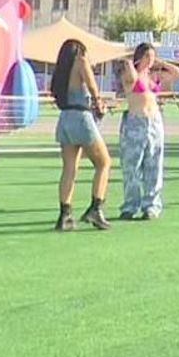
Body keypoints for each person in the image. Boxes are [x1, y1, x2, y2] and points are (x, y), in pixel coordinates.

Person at [50, 38, 112, 231]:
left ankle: (65, 214)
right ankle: (96, 208)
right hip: (81, 117)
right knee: (104, 163)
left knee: (69, 167)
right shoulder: (81, 62)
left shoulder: (62, 69)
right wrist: (99, 102)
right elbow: (92, 87)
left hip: (65, 118)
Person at [117, 43, 179, 220]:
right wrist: (133, 62)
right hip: (135, 123)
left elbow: (178, 74)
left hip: (154, 123)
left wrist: (161, 61)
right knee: (132, 166)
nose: (150, 60)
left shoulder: (153, 77)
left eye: (152, 57)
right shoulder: (131, 74)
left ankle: (151, 205)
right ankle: (130, 205)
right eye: (148, 56)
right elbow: (130, 77)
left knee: (154, 166)